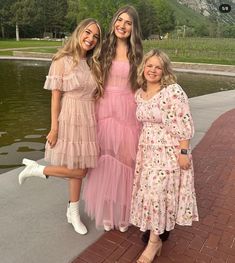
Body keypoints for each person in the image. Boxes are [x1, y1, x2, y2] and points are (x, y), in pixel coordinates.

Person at [18, 18, 103, 235]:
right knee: (80, 170)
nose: (91, 39)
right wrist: (54, 128)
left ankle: (72, 211)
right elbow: (55, 98)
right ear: (79, 32)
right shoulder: (62, 60)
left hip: (88, 119)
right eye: (87, 33)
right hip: (69, 116)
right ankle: (38, 170)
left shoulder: (94, 63)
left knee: (80, 168)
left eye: (95, 36)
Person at [130, 49, 199, 263]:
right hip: (147, 152)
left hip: (168, 152)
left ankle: (153, 243)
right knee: (152, 195)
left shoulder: (172, 92)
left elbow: (184, 123)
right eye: (149, 65)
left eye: (158, 67)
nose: (153, 70)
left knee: (158, 194)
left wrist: (184, 152)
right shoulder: (139, 93)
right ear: (144, 68)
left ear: (164, 70)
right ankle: (157, 235)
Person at [82, 5, 143, 232]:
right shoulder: (102, 48)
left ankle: (124, 212)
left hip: (128, 113)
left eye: (128, 23)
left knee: (127, 164)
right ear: (114, 22)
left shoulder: (137, 54)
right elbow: (81, 60)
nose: (123, 26)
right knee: (104, 162)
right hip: (105, 111)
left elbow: (144, 85)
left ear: (134, 28)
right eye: (120, 20)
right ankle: (107, 212)